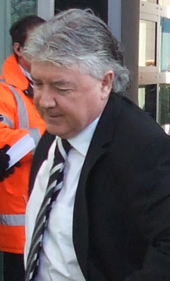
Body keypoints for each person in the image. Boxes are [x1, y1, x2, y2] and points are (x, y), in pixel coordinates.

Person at [23, 8, 170, 281]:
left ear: (105, 82)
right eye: (38, 84)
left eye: (61, 87)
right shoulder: (57, 133)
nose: (44, 101)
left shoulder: (144, 150)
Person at [0, 15, 46, 281]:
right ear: (18, 49)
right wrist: (49, 133)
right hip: (19, 217)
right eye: (38, 44)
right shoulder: (5, 91)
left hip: (44, 207)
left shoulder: (41, 83)